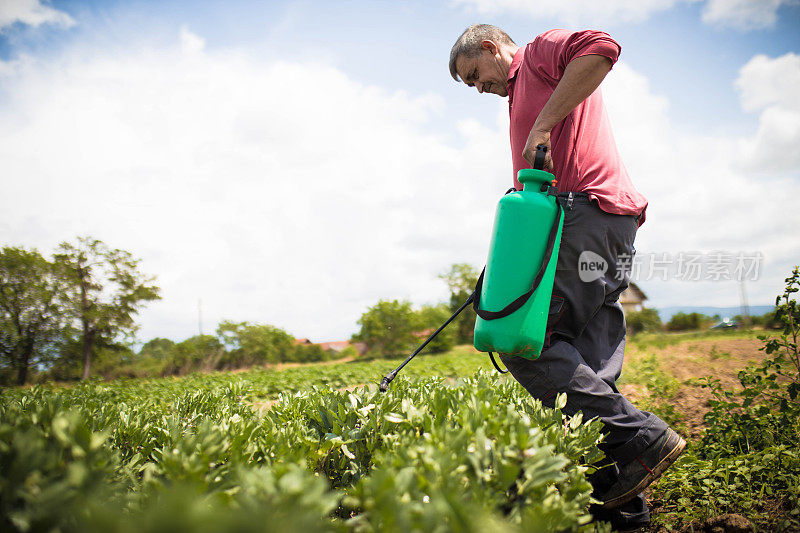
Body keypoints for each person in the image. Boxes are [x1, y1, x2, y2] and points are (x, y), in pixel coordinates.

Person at [449, 25, 686, 528]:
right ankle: (623, 509)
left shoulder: (537, 54)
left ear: (492, 47)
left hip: (582, 215)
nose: (477, 88)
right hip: (606, 224)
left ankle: (641, 436)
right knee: (590, 371)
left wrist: (541, 126)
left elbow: (602, 49)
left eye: (474, 75)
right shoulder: (522, 89)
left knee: (525, 342)